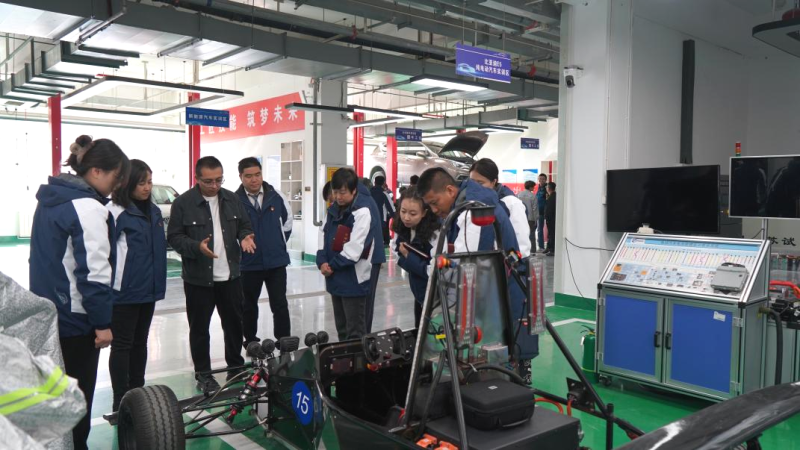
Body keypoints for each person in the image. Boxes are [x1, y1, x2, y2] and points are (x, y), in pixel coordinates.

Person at [29, 134, 130, 450]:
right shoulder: (87, 207)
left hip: (48, 314)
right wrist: (102, 323)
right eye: (116, 176)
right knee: (76, 400)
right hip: (76, 321)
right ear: (97, 171)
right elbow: (94, 272)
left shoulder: (52, 200)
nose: (117, 185)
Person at [417, 167, 538, 383]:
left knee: (496, 358)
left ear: (450, 190)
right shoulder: (464, 205)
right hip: (491, 291)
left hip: (496, 296)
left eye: (435, 202)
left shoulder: (473, 208)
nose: (434, 210)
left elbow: (465, 262)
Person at [167, 156, 256, 394]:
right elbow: (174, 237)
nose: (214, 186)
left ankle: (235, 368)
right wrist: (196, 247)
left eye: (219, 180)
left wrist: (245, 237)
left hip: (230, 277)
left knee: (234, 326)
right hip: (198, 279)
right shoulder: (183, 203)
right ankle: (204, 375)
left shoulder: (232, 199)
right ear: (197, 178)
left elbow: (245, 225)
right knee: (199, 329)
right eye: (208, 181)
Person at [105, 159, 166, 416]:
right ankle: (120, 401)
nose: (147, 187)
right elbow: (104, 253)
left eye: (149, 182)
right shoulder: (114, 211)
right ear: (127, 183)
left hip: (148, 290)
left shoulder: (154, 212)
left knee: (141, 343)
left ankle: (137, 394)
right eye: (141, 183)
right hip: (124, 292)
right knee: (122, 345)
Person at [236, 157, 293, 347]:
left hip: (276, 261)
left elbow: (287, 223)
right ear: (241, 177)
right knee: (248, 305)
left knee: (280, 303)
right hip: (248, 263)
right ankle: (250, 341)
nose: (254, 179)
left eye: (257, 174)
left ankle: (283, 340)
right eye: (249, 176)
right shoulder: (234, 201)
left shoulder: (276, 196)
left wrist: (276, 243)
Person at [317, 168, 376, 341]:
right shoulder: (332, 210)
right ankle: (344, 357)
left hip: (353, 279)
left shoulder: (362, 212)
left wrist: (331, 265)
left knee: (355, 332)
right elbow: (322, 236)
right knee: (341, 329)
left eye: (342, 193)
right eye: (335, 192)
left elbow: (354, 249)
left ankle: (357, 359)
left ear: (354, 190)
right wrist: (321, 261)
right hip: (334, 276)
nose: (338, 197)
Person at [390, 187, 439, 327]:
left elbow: (432, 271)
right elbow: (396, 252)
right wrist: (410, 261)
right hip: (418, 291)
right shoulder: (401, 227)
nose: (406, 217)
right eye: (403, 211)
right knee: (419, 327)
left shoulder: (435, 233)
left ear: (424, 213)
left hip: (435, 295)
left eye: (413, 213)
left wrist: (408, 256)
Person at [469, 158, 532, 256]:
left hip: (503, 262)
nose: (475, 187)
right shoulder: (473, 202)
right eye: (472, 182)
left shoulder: (511, 203)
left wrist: (514, 262)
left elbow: (522, 243)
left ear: (494, 182)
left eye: (480, 183)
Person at [370, 175, 395, 247]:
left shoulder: (369, 193)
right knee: (380, 243)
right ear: (383, 183)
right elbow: (391, 209)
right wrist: (395, 218)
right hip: (381, 222)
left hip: (369, 221)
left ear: (374, 182)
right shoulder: (384, 194)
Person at [518, 180, 538, 246]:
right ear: (530, 187)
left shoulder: (518, 195)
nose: (534, 188)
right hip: (530, 218)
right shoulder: (533, 196)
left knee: (521, 235)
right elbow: (534, 209)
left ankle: (522, 248)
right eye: (533, 187)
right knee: (531, 235)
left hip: (521, 217)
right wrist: (535, 219)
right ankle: (532, 249)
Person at [535, 173, 548, 253]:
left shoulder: (547, 189)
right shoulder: (538, 188)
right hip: (537, 212)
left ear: (546, 180)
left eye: (543, 179)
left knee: (540, 230)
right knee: (538, 229)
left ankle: (541, 247)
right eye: (540, 179)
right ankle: (540, 245)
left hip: (543, 212)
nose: (541, 180)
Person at [545, 182, 557, 256]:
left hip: (551, 219)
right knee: (550, 234)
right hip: (551, 219)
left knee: (551, 234)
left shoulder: (552, 197)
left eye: (547, 187)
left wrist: (547, 218)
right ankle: (549, 247)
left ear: (549, 188)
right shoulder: (552, 196)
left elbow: (549, 210)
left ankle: (552, 249)